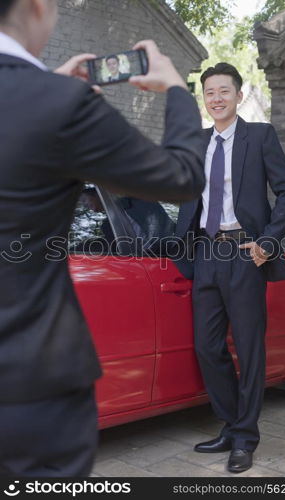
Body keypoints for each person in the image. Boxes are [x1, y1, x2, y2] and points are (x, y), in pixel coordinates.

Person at [0, 0, 205, 477]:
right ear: (36, 5)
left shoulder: (47, 99)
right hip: (31, 392)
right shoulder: (58, 105)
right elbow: (183, 175)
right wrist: (176, 88)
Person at [174, 62, 285, 473]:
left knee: (248, 349)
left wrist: (267, 242)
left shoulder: (259, 136)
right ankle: (231, 424)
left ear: (238, 95)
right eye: (209, 92)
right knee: (207, 348)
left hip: (245, 253)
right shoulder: (198, 142)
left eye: (224, 91)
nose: (216, 99)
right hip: (206, 254)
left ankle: (245, 438)